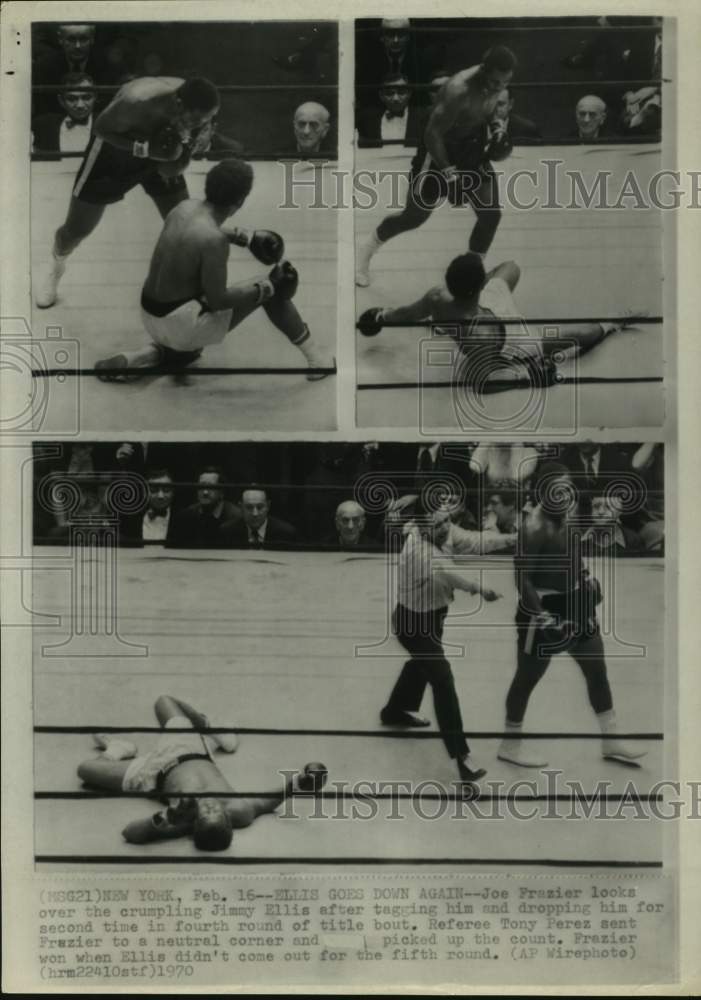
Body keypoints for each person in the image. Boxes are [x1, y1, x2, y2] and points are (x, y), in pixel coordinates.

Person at [93, 158, 332, 382]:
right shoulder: (214, 241)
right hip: (180, 327)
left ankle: (144, 355)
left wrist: (245, 237)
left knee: (189, 337)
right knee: (268, 288)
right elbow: (219, 301)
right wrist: (268, 286)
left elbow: (197, 232)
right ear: (240, 201)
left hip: (150, 315)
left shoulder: (182, 208)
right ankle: (317, 359)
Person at [497, 463, 646, 769]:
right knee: (527, 678)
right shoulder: (533, 528)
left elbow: (573, 554)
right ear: (543, 491)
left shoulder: (569, 514)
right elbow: (521, 580)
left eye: (569, 489)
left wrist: (587, 577)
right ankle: (509, 744)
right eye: (558, 489)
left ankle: (611, 739)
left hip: (576, 604)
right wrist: (541, 618)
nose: (566, 495)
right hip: (543, 609)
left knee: (597, 670)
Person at [35, 75, 222, 308]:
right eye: (197, 121)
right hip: (114, 151)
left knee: (183, 223)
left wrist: (194, 142)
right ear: (179, 104)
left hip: (159, 146)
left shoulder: (196, 105)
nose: (199, 125)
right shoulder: (138, 101)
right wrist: (143, 149)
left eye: (207, 120)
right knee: (76, 230)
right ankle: (56, 265)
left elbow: (174, 164)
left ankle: (192, 285)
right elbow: (101, 128)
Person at [77, 694, 327, 851]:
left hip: (150, 776)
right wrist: (300, 783)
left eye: (204, 814)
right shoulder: (239, 810)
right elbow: (267, 801)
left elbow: (129, 834)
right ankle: (211, 728)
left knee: (85, 770)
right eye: (214, 811)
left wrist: (166, 817)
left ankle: (116, 749)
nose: (208, 807)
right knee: (165, 702)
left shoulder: (182, 820)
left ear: (195, 823)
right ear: (227, 817)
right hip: (188, 749)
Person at [358, 253, 645, 389]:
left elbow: (408, 313)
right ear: (481, 282)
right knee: (581, 334)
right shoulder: (480, 336)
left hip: (488, 310)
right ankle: (612, 323)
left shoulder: (437, 296)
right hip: (510, 340)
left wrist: (381, 316)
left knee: (511, 266)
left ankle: (448, 323)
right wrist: (527, 379)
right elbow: (480, 382)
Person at [355, 46, 517, 288]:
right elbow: (432, 135)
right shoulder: (458, 89)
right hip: (438, 153)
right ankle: (364, 252)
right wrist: (450, 174)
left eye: (504, 82)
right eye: (494, 81)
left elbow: (490, 108)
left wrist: (497, 129)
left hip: (472, 149)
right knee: (414, 217)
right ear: (483, 70)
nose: (498, 87)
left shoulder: (496, 82)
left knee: (491, 215)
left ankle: (471, 276)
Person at [380, 496, 502, 787]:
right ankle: (462, 757)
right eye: (438, 524)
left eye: (447, 520)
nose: (445, 528)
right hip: (413, 625)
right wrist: (482, 589)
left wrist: (513, 537)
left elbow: (474, 541)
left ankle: (394, 711)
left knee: (422, 664)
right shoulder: (421, 551)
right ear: (422, 526)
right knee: (442, 679)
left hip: (432, 618)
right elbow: (451, 573)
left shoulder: (435, 528)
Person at [168, 466, 240, 548]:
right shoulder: (188, 514)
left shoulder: (236, 517)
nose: (205, 492)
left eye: (211, 487)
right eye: (201, 487)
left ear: (221, 492)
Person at [32, 72, 96, 156]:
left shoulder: (105, 126)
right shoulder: (43, 125)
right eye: (72, 99)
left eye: (86, 97)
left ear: (95, 97)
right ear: (61, 101)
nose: (80, 105)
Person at [355, 73, 417, 147]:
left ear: (409, 93)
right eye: (389, 93)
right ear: (381, 96)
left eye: (401, 92)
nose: (395, 98)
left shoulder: (423, 118)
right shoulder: (367, 119)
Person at [223, 487, 297, 549]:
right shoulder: (227, 532)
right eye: (249, 507)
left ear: (268, 506)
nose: (255, 513)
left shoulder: (286, 534)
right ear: (241, 507)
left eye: (260, 507)